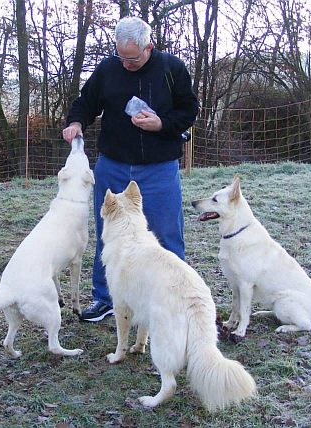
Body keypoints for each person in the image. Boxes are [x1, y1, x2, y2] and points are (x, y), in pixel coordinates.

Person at [62, 16, 198, 322]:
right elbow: (86, 102)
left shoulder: (171, 69)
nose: (125, 63)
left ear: (149, 47)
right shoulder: (108, 69)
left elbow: (189, 110)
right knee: (108, 233)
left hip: (159, 167)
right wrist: (75, 123)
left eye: (132, 58)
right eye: (121, 56)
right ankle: (104, 297)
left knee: (166, 233)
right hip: (113, 165)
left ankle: (174, 298)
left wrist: (162, 124)